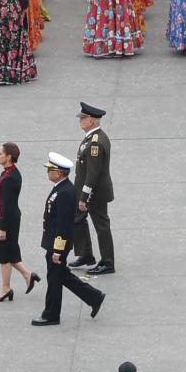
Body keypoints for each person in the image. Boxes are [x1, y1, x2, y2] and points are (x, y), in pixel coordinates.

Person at [31, 154, 105, 328]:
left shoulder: (64, 192)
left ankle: (51, 314)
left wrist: (57, 250)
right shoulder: (61, 188)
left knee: (54, 280)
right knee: (61, 275)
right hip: (55, 242)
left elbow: (63, 224)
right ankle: (94, 297)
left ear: (58, 173)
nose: (48, 172)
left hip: (58, 244)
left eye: (50, 170)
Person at [70, 104, 115, 276]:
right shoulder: (92, 138)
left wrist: (83, 197)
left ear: (91, 120)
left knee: (101, 226)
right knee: (77, 220)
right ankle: (86, 254)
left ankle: (108, 262)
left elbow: (93, 174)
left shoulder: (96, 143)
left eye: (83, 118)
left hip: (94, 193)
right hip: (83, 190)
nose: (80, 121)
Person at [0, 144, 36, 304]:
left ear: (9, 156)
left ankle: (5, 288)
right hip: (8, 218)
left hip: (6, 219)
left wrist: (2, 228)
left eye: (1, 153)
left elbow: (7, 205)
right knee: (9, 251)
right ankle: (28, 275)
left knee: (4, 256)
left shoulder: (10, 178)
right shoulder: (12, 173)